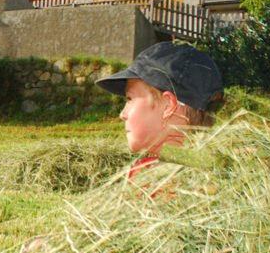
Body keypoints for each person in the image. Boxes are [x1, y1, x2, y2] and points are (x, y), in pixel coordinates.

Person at [95, 41, 224, 182]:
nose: (122, 114)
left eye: (130, 99)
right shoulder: (213, 171)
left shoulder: (155, 183)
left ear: (168, 106)